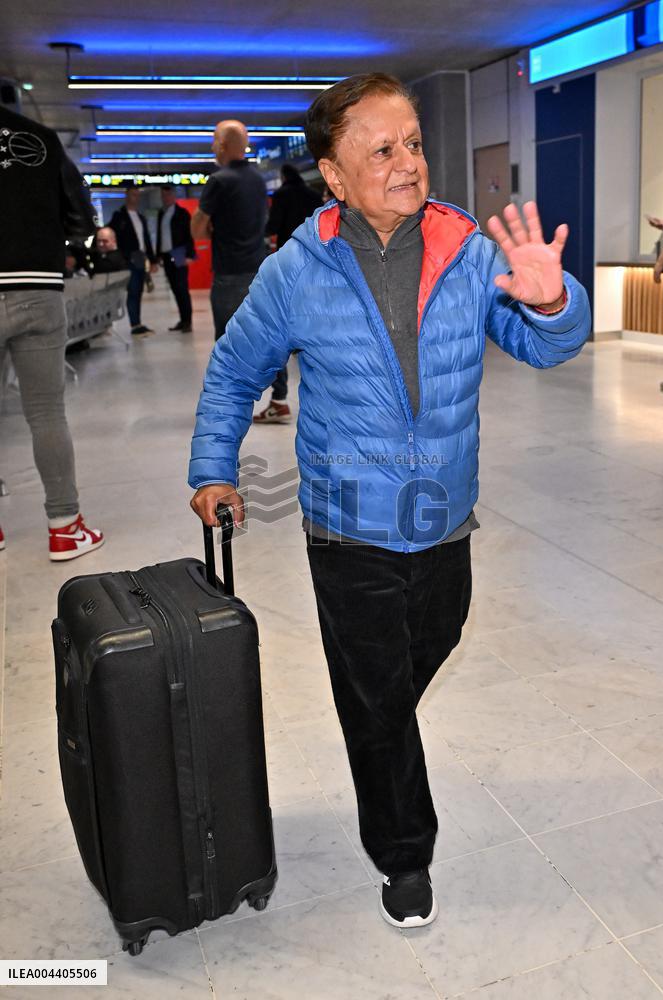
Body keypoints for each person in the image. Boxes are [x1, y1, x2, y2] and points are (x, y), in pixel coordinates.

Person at [188, 74, 590, 929]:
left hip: (444, 511)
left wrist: (553, 300)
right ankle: (405, 856)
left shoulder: (466, 246)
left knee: (424, 647)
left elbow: (543, 346)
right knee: (374, 692)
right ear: (333, 174)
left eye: (413, 142)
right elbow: (233, 372)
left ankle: (372, 724)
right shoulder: (297, 270)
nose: (408, 163)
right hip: (348, 521)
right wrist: (211, 470)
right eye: (382, 149)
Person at [0, 105, 104, 561]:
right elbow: (82, 215)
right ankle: (64, 526)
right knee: (45, 412)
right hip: (36, 287)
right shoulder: (41, 137)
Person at [251, 165, 323, 424]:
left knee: (286, 313)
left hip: (290, 260)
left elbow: (273, 225)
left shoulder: (282, 195)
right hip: (317, 260)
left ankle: (293, 349)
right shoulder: (314, 196)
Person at [191, 119, 267, 344]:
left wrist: (211, 228)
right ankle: (278, 381)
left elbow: (197, 230)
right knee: (264, 335)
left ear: (222, 145)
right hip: (259, 270)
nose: (212, 146)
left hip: (228, 275)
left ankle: (232, 380)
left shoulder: (218, 181)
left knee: (228, 341)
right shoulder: (258, 180)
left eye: (214, 140)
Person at [110, 184, 157, 338]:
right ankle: (134, 324)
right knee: (133, 291)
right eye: (132, 195)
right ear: (127, 196)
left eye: (137, 195)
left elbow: (146, 240)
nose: (135, 198)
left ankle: (137, 322)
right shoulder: (119, 217)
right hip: (129, 260)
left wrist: (152, 259)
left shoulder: (140, 217)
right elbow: (113, 236)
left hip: (141, 259)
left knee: (139, 291)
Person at [156, 185, 195, 332]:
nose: (165, 198)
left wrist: (190, 254)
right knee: (174, 288)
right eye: (163, 196)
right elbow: (160, 236)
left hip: (179, 253)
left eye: (167, 195)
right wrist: (158, 254)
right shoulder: (161, 213)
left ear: (173, 196)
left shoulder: (182, 213)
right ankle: (182, 319)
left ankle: (188, 321)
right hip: (166, 255)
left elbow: (188, 235)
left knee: (182, 288)